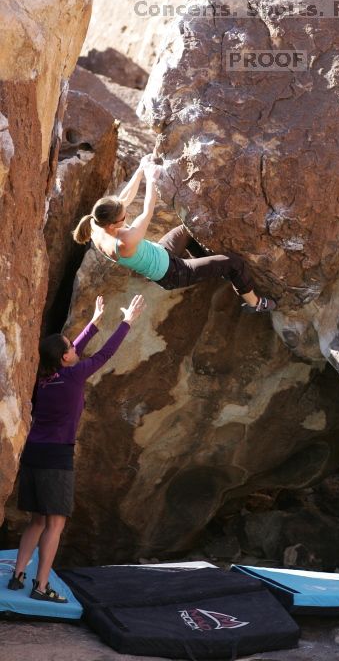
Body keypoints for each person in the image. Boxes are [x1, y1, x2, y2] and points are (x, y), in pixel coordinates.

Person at [7, 294, 145, 603]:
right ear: (65, 358)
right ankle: (41, 587)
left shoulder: (45, 377)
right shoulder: (73, 377)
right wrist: (127, 321)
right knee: (55, 523)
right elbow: (106, 354)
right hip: (56, 458)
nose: (75, 349)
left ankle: (18, 575)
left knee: (36, 520)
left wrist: (95, 321)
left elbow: (72, 351)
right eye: (70, 347)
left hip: (33, 455)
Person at [71, 158, 276, 313]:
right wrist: (152, 179)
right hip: (172, 274)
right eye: (123, 218)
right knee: (234, 263)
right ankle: (255, 304)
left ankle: (209, 266)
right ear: (112, 226)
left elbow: (123, 198)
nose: (126, 218)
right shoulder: (125, 242)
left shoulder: (95, 222)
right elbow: (147, 211)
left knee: (188, 229)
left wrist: (141, 169)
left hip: (161, 252)